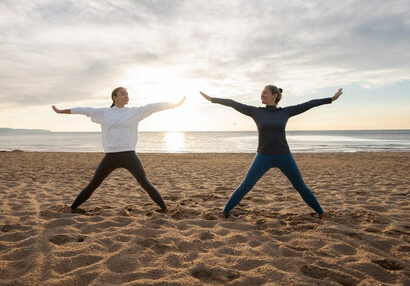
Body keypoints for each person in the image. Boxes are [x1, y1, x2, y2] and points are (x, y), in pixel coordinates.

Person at [200, 86, 343, 219]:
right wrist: (212, 99)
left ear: (274, 95)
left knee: (300, 186)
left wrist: (331, 99)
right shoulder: (256, 112)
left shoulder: (285, 112)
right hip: (263, 156)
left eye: (265, 92)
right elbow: (233, 103)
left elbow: (308, 104)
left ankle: (321, 213)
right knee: (246, 185)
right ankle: (225, 212)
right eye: (261, 93)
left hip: (284, 156)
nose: (261, 95)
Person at [52, 87, 185, 213]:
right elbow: (84, 110)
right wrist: (61, 111)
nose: (126, 96)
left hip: (129, 155)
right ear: (114, 97)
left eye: (127, 94)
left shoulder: (134, 112)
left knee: (145, 183)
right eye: (123, 93)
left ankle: (165, 209)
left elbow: (154, 107)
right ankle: (72, 208)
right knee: (94, 184)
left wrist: (175, 104)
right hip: (110, 156)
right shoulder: (104, 113)